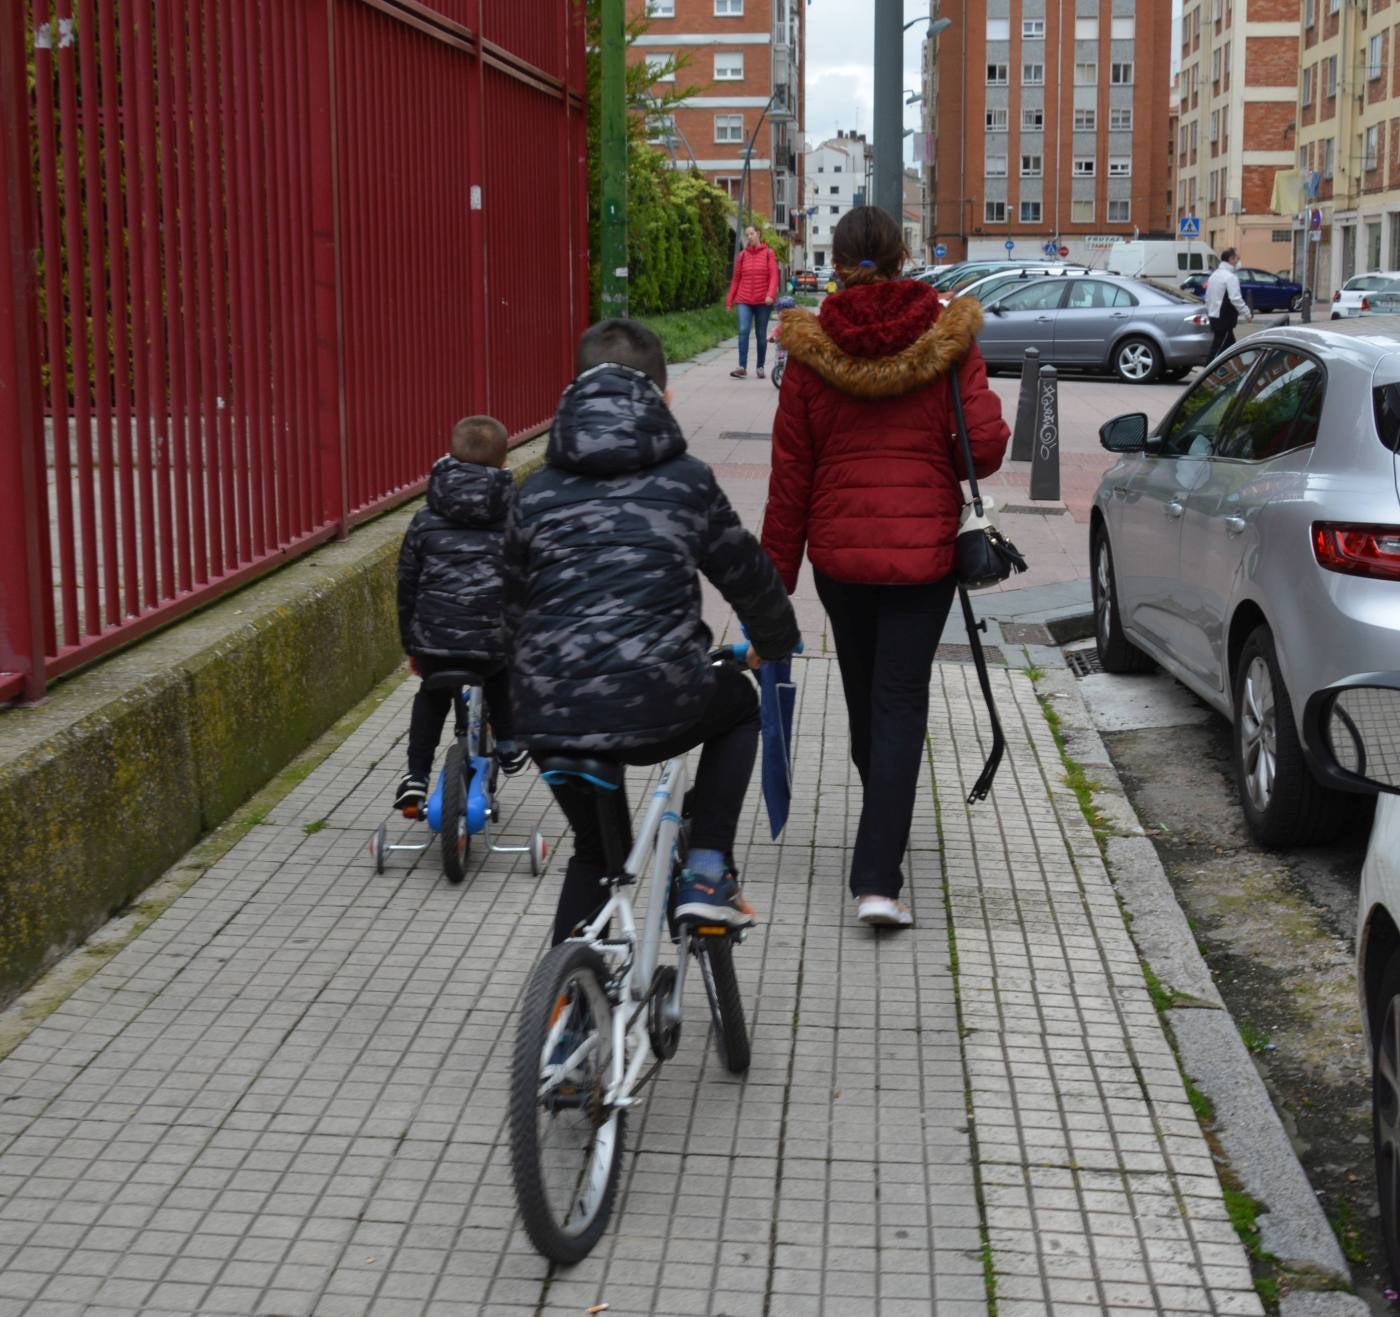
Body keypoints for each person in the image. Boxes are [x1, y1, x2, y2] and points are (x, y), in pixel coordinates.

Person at [505, 318, 800, 944]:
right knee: (740, 707)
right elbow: (746, 574)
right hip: (659, 697)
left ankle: (564, 1021)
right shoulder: (686, 480)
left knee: (594, 852)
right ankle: (705, 870)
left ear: (573, 393)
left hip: (549, 711)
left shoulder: (535, 491)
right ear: (665, 399)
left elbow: (507, 606)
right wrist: (775, 643)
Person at [761, 206, 1010, 929]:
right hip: (923, 557)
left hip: (840, 558)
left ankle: (882, 824)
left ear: (833, 262)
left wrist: (772, 588)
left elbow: (790, 477)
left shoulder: (808, 351)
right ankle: (878, 878)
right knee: (900, 702)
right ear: (904, 256)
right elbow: (986, 446)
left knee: (866, 697)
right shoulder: (949, 337)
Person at [394, 416, 526, 813]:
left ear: (449, 458)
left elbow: (407, 584)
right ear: (504, 464)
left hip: (434, 640)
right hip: (491, 643)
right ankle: (508, 744)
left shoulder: (425, 518)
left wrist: (411, 643)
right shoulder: (515, 517)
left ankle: (415, 775)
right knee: (502, 674)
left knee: (431, 693)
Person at [726, 225, 779, 380]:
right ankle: (742, 367)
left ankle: (760, 366)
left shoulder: (769, 254)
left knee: (761, 334)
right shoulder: (742, 256)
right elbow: (736, 279)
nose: (749, 236)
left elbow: (774, 276)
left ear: (758, 234)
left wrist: (770, 294)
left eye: (751, 233)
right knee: (743, 330)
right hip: (744, 299)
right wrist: (729, 300)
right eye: (747, 234)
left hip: (763, 301)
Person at [1204, 248, 1252, 358]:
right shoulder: (1230, 277)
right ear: (1231, 259)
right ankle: (1209, 369)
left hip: (1214, 315)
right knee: (1218, 348)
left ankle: (1234, 370)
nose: (1238, 261)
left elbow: (1208, 297)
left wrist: (1209, 311)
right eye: (1237, 258)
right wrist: (1247, 313)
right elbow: (1235, 298)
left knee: (1231, 348)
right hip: (1224, 317)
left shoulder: (1214, 275)